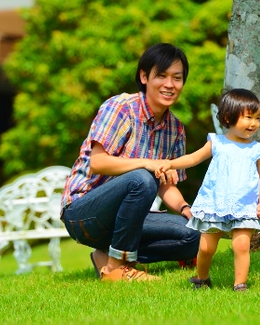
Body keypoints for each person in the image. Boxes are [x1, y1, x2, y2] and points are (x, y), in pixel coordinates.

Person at [60, 43, 200, 282]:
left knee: (193, 235)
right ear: (144, 77)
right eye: (162, 76)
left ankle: (105, 255)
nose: (169, 84)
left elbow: (166, 184)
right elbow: (99, 162)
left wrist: (189, 211)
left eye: (177, 78)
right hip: (84, 213)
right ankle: (118, 267)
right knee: (142, 178)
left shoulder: (175, 128)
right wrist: (147, 163)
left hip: (128, 218)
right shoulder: (121, 108)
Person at [155, 88, 260, 291]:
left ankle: (240, 284)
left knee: (241, 245)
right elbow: (192, 158)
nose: (253, 123)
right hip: (215, 204)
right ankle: (202, 278)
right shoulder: (217, 143)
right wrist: (170, 163)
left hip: (244, 205)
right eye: (248, 117)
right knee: (207, 248)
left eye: (257, 118)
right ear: (228, 117)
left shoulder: (256, 149)